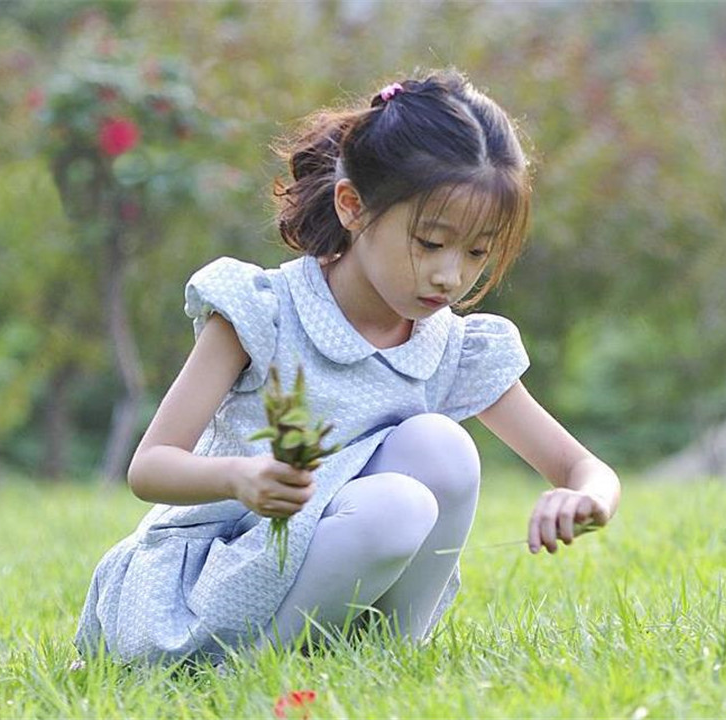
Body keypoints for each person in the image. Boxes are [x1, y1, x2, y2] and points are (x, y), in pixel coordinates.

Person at [73, 69, 621, 666]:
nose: (451, 276)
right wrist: (240, 477)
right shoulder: (265, 312)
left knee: (441, 445)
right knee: (398, 506)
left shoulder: (450, 346)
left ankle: (387, 658)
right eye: (430, 243)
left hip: (331, 568)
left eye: (477, 252)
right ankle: (243, 671)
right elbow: (150, 467)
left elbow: (581, 468)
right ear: (353, 206)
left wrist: (586, 501)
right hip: (212, 585)